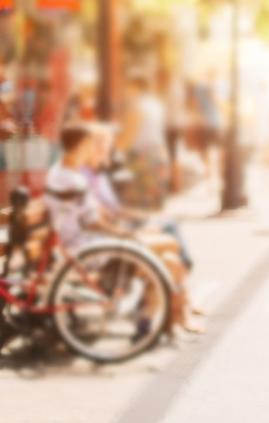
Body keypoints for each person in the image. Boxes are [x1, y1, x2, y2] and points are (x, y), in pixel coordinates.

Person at [45, 123, 197, 335]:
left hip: (86, 243)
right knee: (168, 252)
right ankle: (160, 318)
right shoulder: (71, 179)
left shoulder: (63, 173)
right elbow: (92, 222)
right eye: (91, 144)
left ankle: (162, 318)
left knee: (170, 258)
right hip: (87, 249)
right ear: (80, 146)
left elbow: (89, 217)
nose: (93, 149)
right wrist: (125, 234)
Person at [116, 74, 170, 210]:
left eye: (128, 87)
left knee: (139, 202)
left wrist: (116, 152)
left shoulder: (138, 106)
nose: (126, 90)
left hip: (142, 158)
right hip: (158, 153)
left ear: (135, 87)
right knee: (153, 201)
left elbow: (129, 135)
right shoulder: (155, 104)